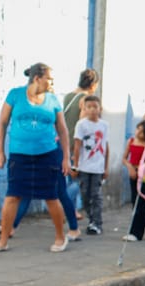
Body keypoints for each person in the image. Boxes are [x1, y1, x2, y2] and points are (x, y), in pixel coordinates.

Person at [0, 63, 71, 253]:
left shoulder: (52, 100)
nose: (51, 83)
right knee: (12, 197)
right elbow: (2, 123)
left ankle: (61, 238)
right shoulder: (15, 95)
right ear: (37, 78)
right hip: (19, 156)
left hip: (47, 155)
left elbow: (62, 129)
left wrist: (66, 157)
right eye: (49, 79)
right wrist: (0, 152)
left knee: (51, 197)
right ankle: (3, 241)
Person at [64, 68, 100, 223]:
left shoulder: (68, 96)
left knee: (72, 177)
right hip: (77, 144)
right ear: (93, 84)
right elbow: (83, 124)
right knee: (81, 179)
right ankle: (63, 202)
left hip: (64, 141)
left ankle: (72, 210)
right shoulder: (86, 99)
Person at [71, 95, 110, 235]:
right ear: (84, 109)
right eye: (89, 107)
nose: (92, 110)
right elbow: (77, 146)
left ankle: (97, 223)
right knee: (85, 195)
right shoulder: (81, 125)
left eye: (95, 107)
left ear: (100, 109)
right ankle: (91, 219)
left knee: (96, 195)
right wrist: (75, 166)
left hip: (98, 167)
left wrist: (106, 167)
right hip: (84, 166)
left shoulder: (104, 125)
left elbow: (106, 146)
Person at [122, 119, 145, 241]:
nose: (138, 133)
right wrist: (130, 168)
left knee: (142, 203)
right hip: (134, 174)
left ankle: (136, 233)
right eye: (138, 129)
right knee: (135, 203)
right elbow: (124, 158)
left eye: (142, 132)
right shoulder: (131, 141)